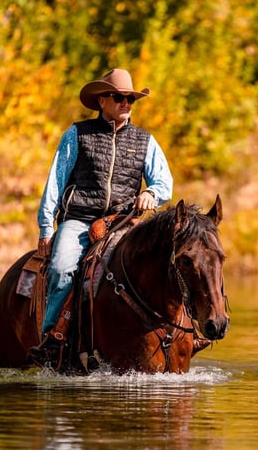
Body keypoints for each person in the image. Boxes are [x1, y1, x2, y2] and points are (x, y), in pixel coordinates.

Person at [31, 68, 173, 363]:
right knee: (61, 268)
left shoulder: (145, 141)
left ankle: (178, 332)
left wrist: (151, 194)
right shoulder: (77, 134)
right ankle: (52, 339)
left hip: (124, 222)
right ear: (102, 102)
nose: (126, 104)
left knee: (163, 266)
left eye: (130, 99)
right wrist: (46, 228)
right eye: (119, 97)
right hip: (79, 220)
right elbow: (55, 183)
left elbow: (164, 183)